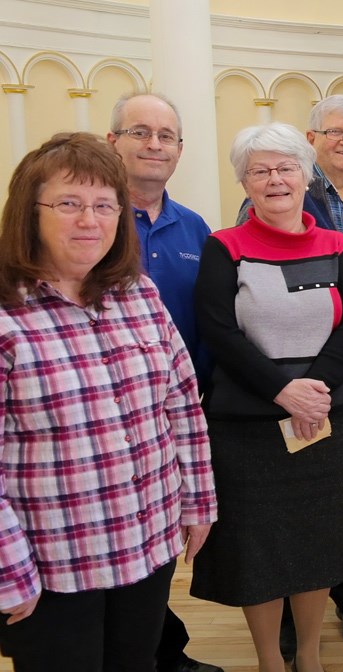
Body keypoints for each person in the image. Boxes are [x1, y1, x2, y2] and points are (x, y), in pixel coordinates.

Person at [0, 132, 217, 671]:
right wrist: (8, 571)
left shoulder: (139, 294)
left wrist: (199, 502)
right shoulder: (8, 316)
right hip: (53, 565)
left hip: (147, 545)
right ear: (29, 213)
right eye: (68, 204)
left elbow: (182, 405)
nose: (88, 221)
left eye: (103, 205)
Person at [191, 122, 343, 672]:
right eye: (260, 170)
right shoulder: (225, 247)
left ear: (306, 174)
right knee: (258, 551)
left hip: (324, 419)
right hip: (248, 427)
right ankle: (270, 659)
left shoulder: (338, 246)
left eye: (286, 167)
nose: (275, 180)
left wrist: (314, 390)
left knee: (317, 546)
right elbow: (217, 331)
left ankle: (310, 655)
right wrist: (281, 389)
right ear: (244, 182)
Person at [237, 97, 343, 647]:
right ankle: (286, 611)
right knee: (291, 497)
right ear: (312, 140)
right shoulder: (280, 195)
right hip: (288, 383)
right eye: (335, 132)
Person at [106, 91, 223, 672]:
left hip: (175, 413)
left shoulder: (195, 228)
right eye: (140, 132)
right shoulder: (96, 222)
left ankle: (160, 649)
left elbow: (209, 320)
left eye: (167, 136)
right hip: (104, 421)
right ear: (112, 143)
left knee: (158, 546)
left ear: (180, 150)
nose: (155, 145)